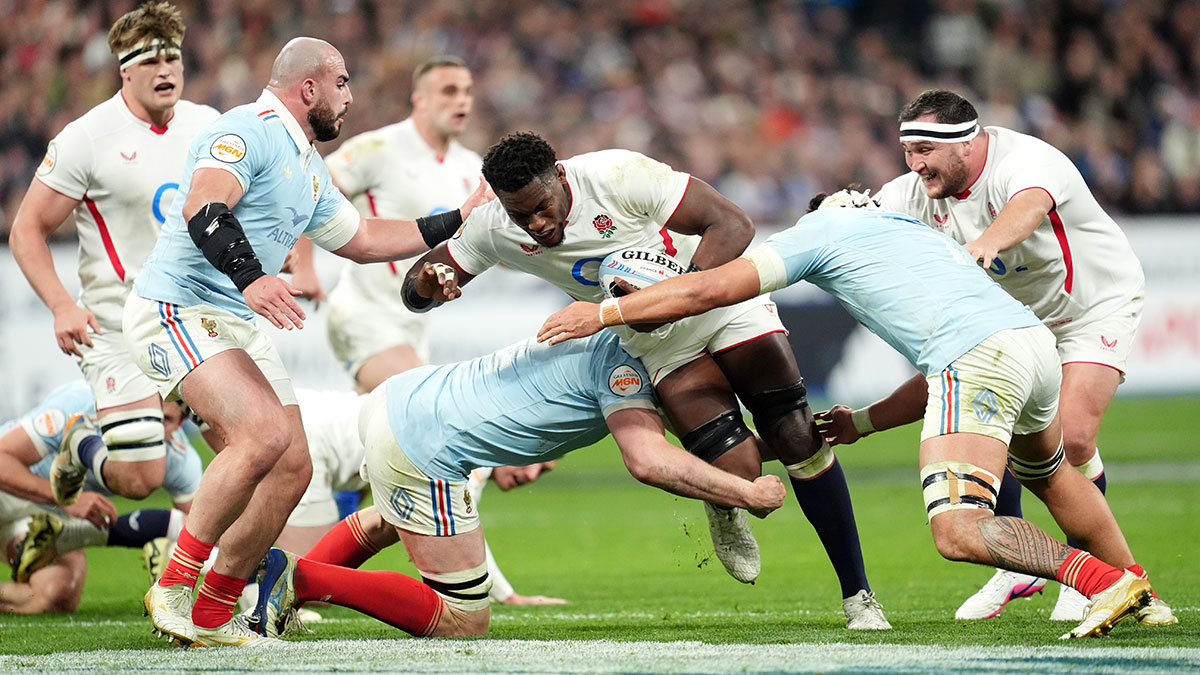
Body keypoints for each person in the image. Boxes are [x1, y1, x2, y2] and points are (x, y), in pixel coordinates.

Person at [537, 190, 1162, 640]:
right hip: (1029, 346)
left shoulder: (820, 232)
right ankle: (1143, 592)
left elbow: (710, 289)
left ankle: (1102, 582)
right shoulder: (913, 230)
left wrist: (604, 313)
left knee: (959, 530)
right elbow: (964, 360)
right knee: (1051, 476)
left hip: (975, 360)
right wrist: (862, 423)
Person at [401, 132, 889, 629]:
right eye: (519, 215)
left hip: (719, 302)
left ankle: (859, 595)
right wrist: (428, 284)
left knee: (795, 433)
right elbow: (418, 285)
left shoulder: (616, 175)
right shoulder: (492, 226)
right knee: (736, 473)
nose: (536, 224)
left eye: (542, 207)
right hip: (656, 342)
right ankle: (723, 504)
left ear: (561, 177)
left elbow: (732, 224)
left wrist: (677, 292)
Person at [125, 37, 492, 648]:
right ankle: (174, 587)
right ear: (309, 87)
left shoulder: (307, 162)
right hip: (177, 306)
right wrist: (254, 276)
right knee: (263, 436)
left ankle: (215, 613)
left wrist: (458, 217)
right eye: (342, 82)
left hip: (231, 318)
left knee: (293, 467)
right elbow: (204, 205)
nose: (349, 96)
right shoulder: (248, 129)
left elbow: (364, 238)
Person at [248, 332, 785, 639]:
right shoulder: (627, 365)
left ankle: (287, 589)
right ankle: (299, 578)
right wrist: (746, 494)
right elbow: (647, 460)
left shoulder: (598, 334)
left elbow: (692, 437)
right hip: (423, 439)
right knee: (464, 616)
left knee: (393, 519)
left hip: (399, 400)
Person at [874, 89, 1173, 625]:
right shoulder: (913, 191)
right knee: (1008, 436)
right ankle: (1020, 568)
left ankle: (1084, 580)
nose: (915, 164)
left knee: (1074, 438)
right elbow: (866, 222)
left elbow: (1028, 206)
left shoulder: (1027, 160)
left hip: (1091, 307)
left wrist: (985, 244)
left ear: (964, 145)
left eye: (924, 150)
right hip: (1018, 325)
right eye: (907, 152)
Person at [8, 2, 218, 506]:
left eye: (172, 58)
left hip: (194, 320)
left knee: (252, 447)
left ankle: (228, 576)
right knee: (142, 479)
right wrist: (62, 305)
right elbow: (26, 229)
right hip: (117, 327)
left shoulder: (209, 125)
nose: (165, 70)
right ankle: (82, 442)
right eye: (149, 61)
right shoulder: (87, 137)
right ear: (125, 70)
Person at [273, 388, 565, 606]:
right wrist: (508, 596)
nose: (530, 475)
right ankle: (246, 588)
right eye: (536, 462)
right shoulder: (478, 453)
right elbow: (461, 539)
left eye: (543, 473)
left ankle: (243, 581)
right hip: (310, 437)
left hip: (304, 412)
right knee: (302, 586)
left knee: (293, 563)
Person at [321, 56, 482, 393]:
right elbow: (312, 191)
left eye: (467, 91)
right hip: (363, 311)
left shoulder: (471, 168)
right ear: (420, 99)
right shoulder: (379, 148)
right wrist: (304, 264)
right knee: (423, 401)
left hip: (414, 320)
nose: (462, 99)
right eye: (449, 91)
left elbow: (493, 239)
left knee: (378, 434)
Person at [0, 381, 197, 614]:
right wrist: (64, 497)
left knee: (56, 593)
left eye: (162, 419)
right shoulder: (79, 405)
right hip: (10, 488)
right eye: (147, 413)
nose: (149, 427)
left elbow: (205, 525)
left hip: (41, 518)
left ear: (180, 424)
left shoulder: (178, 459)